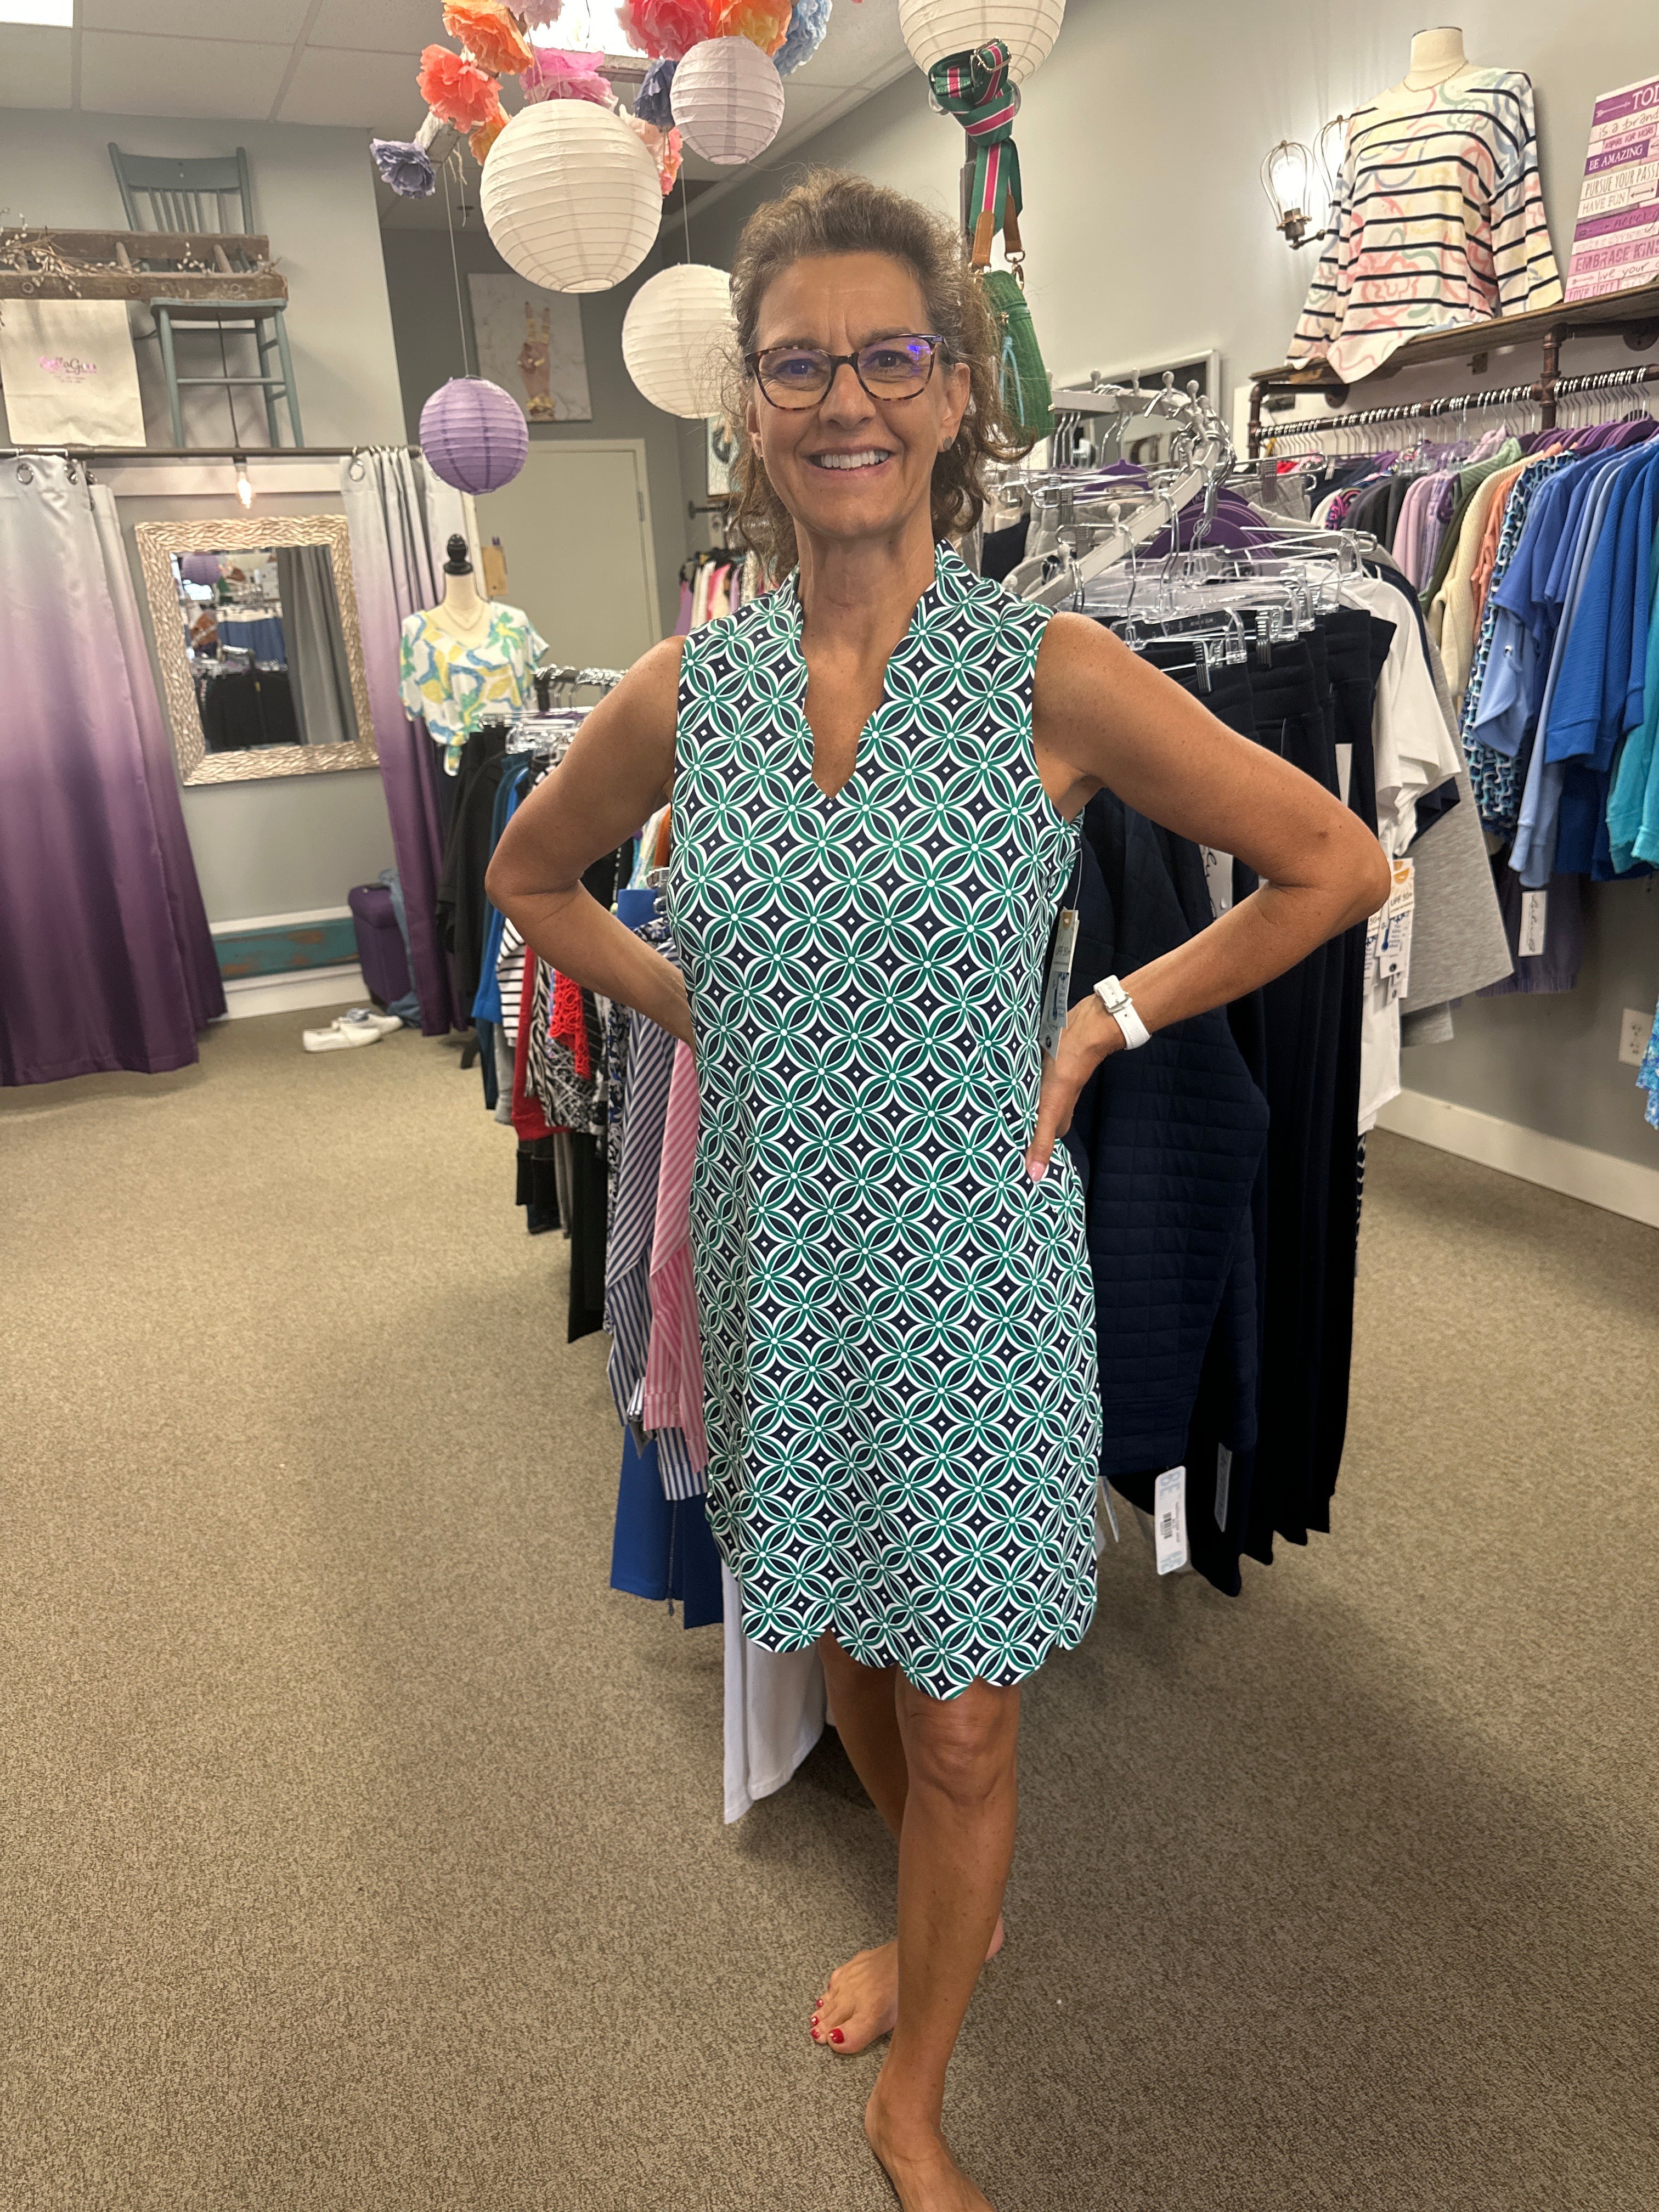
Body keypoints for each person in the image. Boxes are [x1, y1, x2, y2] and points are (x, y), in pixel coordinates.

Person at [487, 171, 1389, 2212]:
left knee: (969, 1719)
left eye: (890, 357)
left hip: (976, 1280)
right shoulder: (688, 690)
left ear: (959, 392)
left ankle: (915, 2099)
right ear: (751, 410)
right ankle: (923, 1921)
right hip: (781, 1273)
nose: (845, 401)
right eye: (797, 364)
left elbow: (1336, 863)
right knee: (852, 1646)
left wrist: (1106, 1023)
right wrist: (694, 999)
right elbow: (530, 876)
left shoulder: (1048, 671)